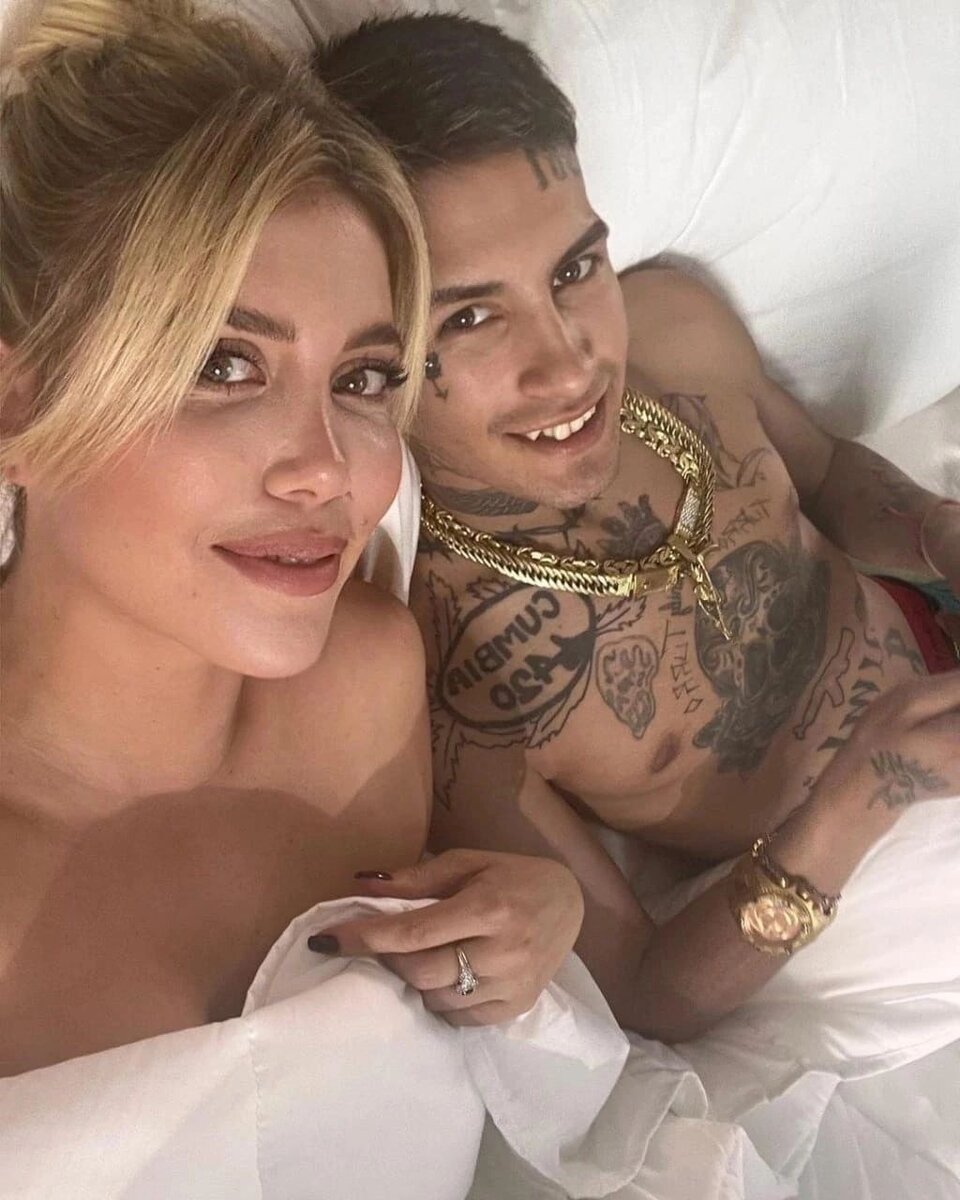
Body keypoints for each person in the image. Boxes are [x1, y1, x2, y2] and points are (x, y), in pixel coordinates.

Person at [0, 4, 658, 1195]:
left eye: (362, 379)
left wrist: (537, 924)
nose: (329, 470)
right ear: (17, 406)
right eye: (224, 364)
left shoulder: (364, 681)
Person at [315, 12, 960, 1041]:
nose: (570, 362)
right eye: (471, 318)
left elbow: (832, 475)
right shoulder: (442, 666)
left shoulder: (673, 325)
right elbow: (647, 993)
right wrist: (866, 793)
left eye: (574, 271)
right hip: (852, 880)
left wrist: (932, 527)